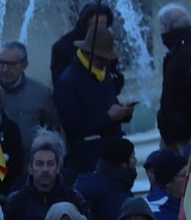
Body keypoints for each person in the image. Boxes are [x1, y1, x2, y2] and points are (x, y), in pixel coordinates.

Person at [54, 26, 134, 175]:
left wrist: (123, 112)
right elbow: (73, 127)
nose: (105, 62)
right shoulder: (68, 81)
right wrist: (109, 117)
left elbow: (110, 103)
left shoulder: (102, 73)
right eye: (101, 58)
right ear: (87, 53)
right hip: (88, 161)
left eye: (107, 58)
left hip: (111, 154)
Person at [156, 4, 191, 149]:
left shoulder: (182, 53)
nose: (161, 31)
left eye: (162, 26)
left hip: (185, 133)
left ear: (168, 27)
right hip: (180, 130)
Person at [6, 140, 90, 220]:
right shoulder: (16, 201)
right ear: (30, 169)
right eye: (39, 164)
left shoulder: (74, 198)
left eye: (50, 164)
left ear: (58, 168)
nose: (45, 169)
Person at [0, 41, 58, 154]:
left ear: (24, 65)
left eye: (12, 64)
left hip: (28, 159)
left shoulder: (41, 94)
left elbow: (54, 128)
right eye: (1, 63)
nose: (5, 69)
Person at [50, 4, 117, 87]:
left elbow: (114, 75)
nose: (101, 30)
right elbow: (60, 85)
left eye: (104, 27)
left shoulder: (106, 44)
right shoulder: (62, 48)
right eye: (97, 26)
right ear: (85, 25)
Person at [74, 137, 136, 220]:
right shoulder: (118, 195)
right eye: (132, 156)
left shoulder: (85, 182)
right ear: (123, 163)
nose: (135, 160)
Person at [148, 152, 189, 220]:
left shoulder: (190, 200)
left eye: (190, 174)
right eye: (184, 175)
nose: (189, 178)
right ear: (168, 182)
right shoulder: (154, 211)